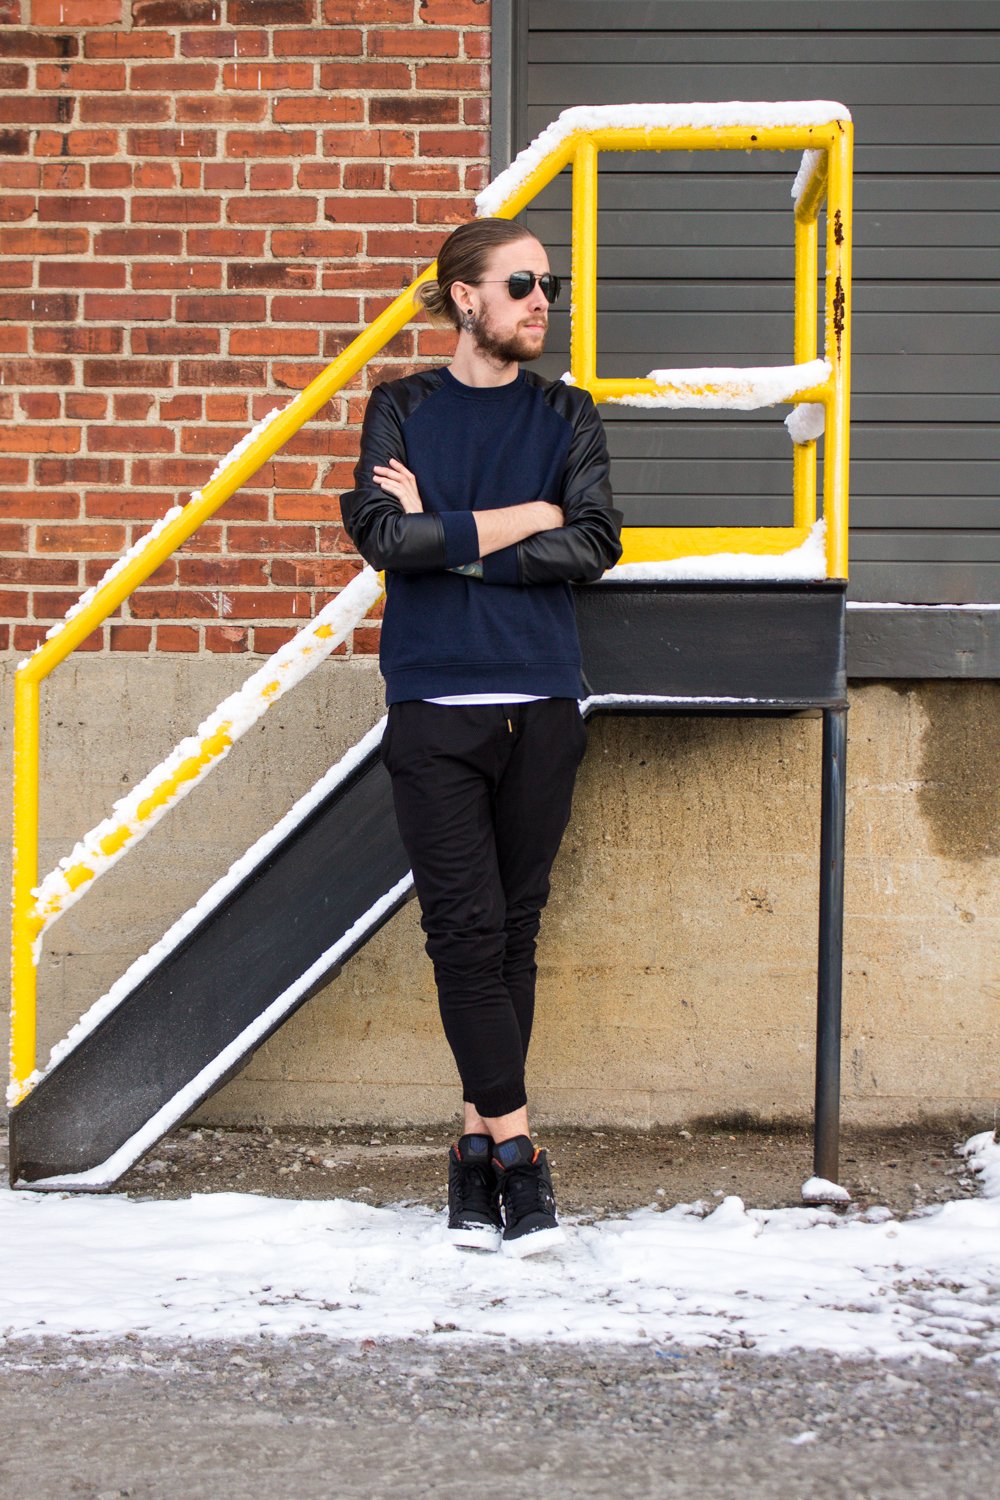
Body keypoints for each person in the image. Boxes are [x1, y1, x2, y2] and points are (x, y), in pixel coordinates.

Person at [340, 217, 622, 1256]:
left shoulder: (566, 411)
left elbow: (591, 541)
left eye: (548, 283)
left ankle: (468, 1158)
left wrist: (452, 541)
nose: (541, 299)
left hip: (541, 701)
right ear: (465, 297)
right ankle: (519, 1155)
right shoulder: (401, 406)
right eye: (520, 282)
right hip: (433, 707)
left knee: (513, 928)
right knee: (462, 931)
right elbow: (379, 537)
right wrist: (521, 516)